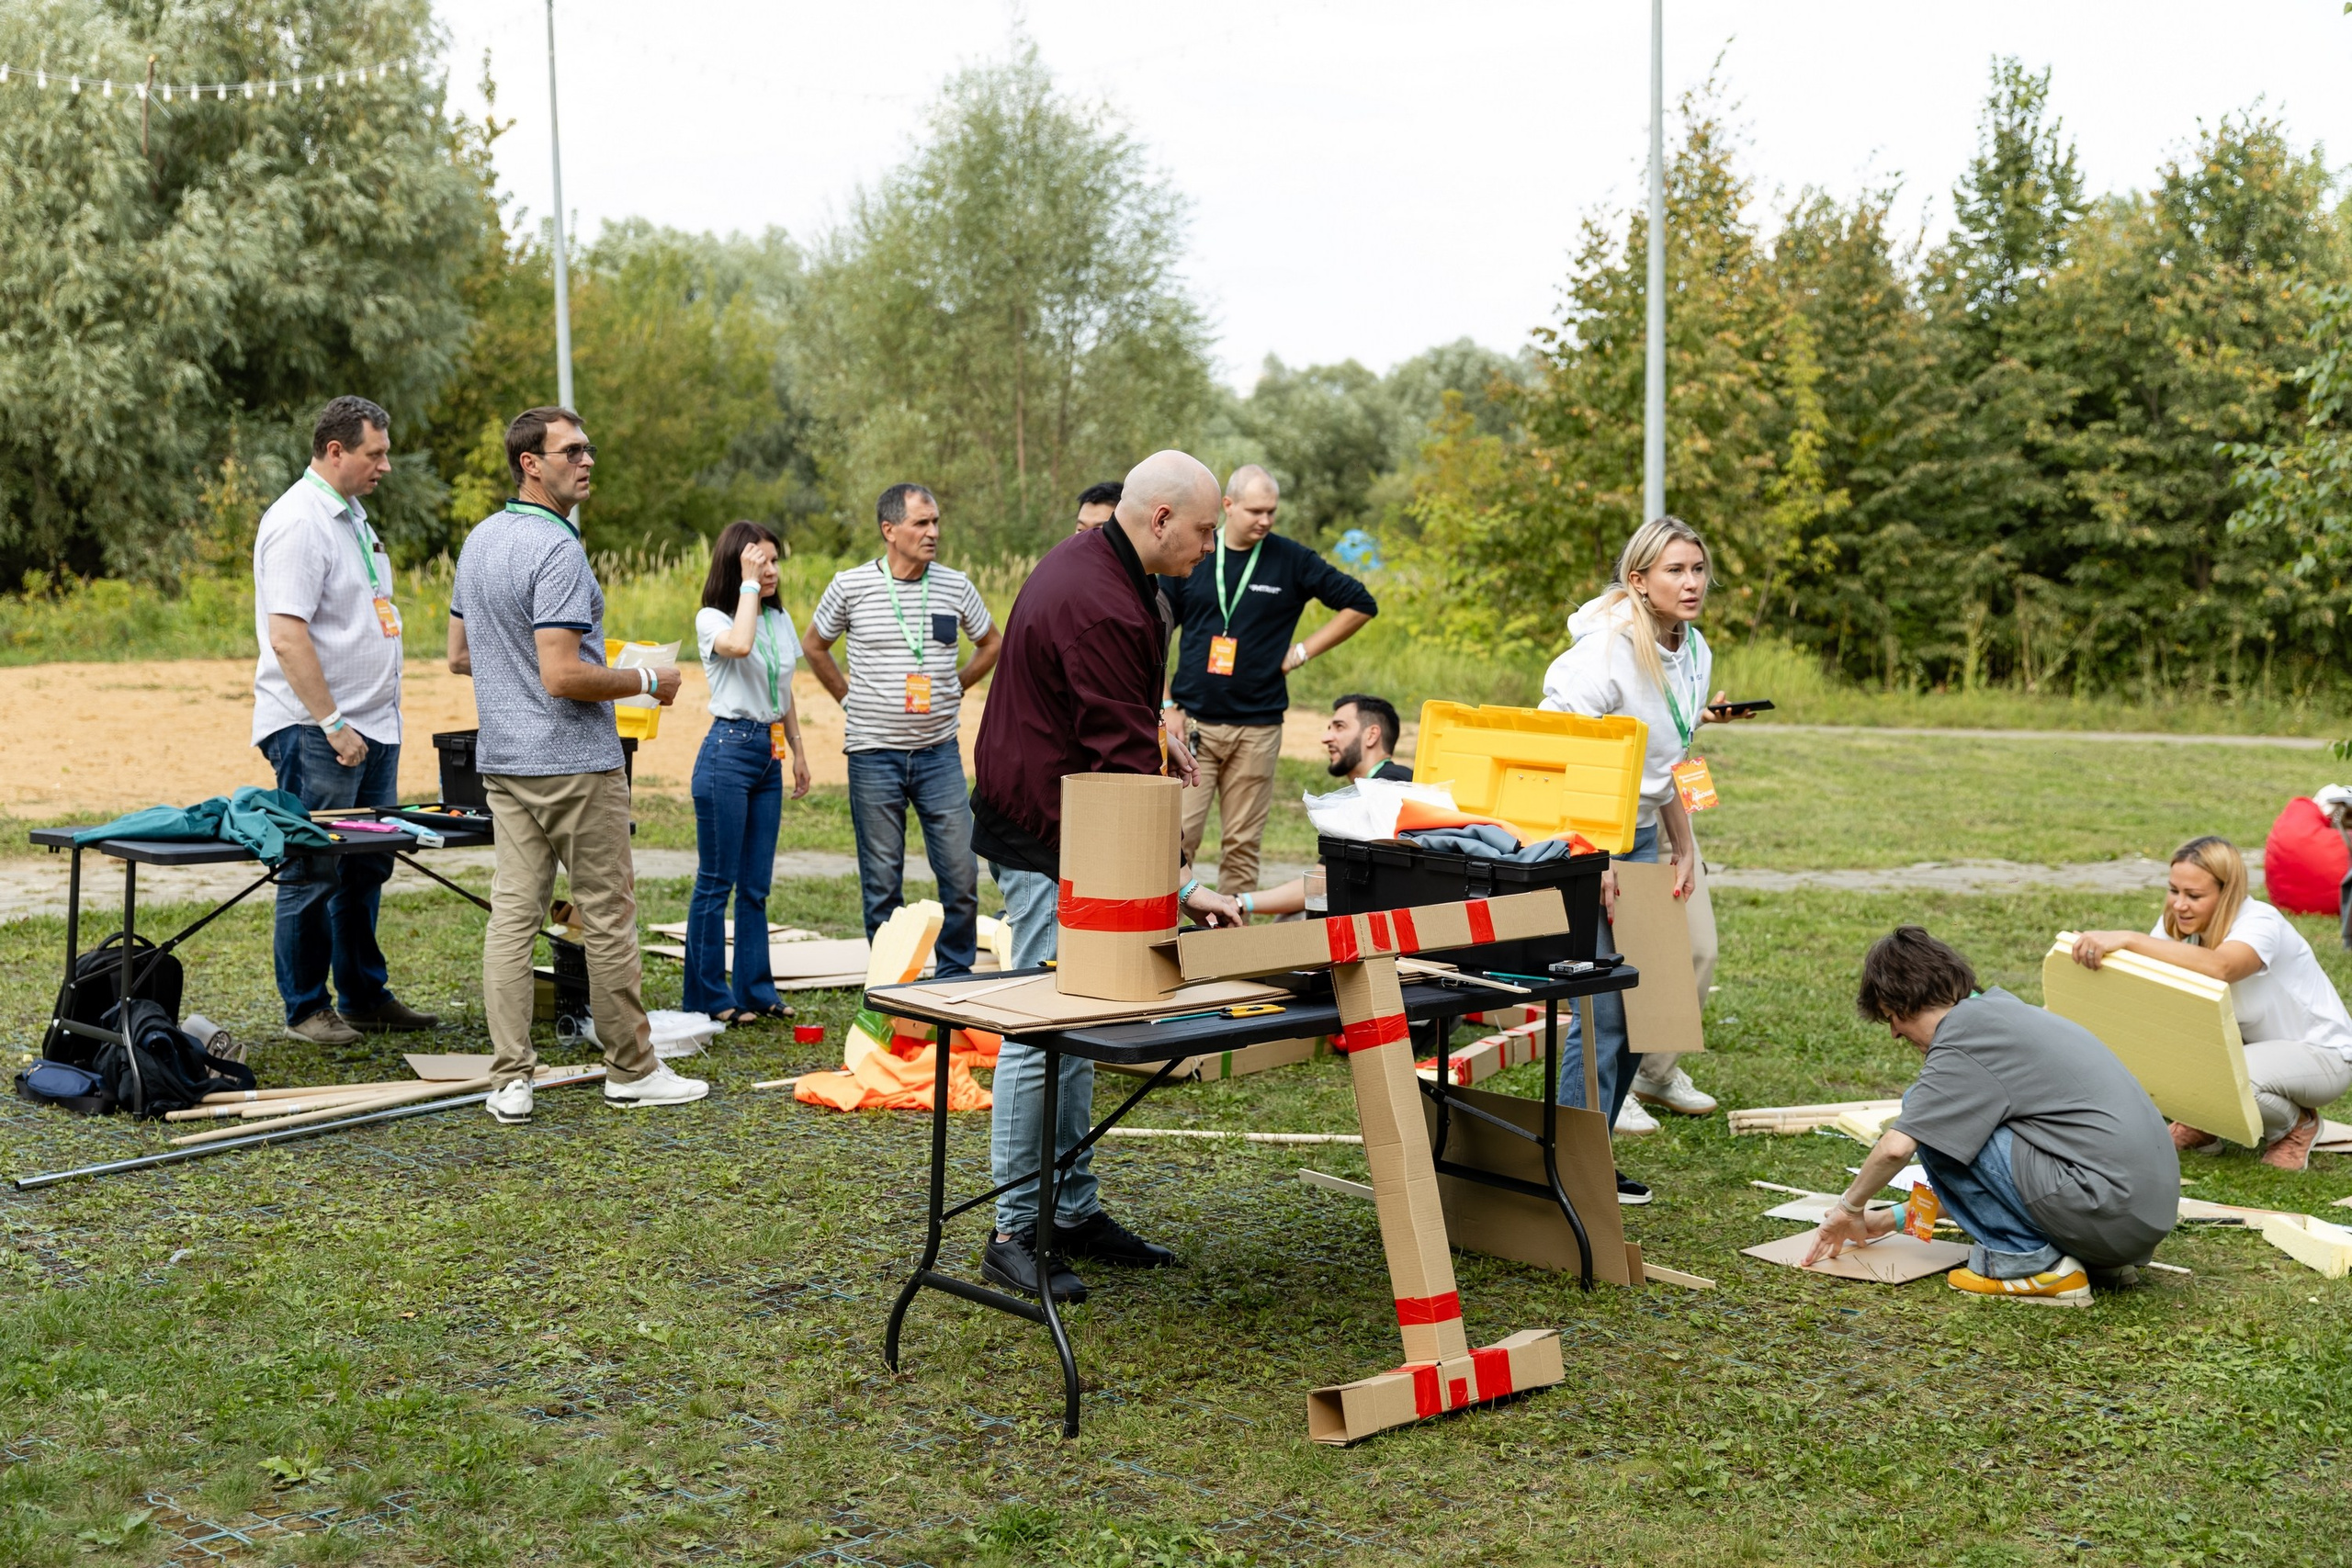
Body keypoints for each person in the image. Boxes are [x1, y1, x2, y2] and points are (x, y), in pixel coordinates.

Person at [969, 450, 1244, 1303]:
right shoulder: (1099, 599)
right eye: (1205, 531)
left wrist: (1158, 734)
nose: (1211, 548)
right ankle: (1016, 1227)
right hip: (1051, 832)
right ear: (1160, 517)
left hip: (1068, 819)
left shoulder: (1113, 573)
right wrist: (1180, 884)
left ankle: (1074, 1208)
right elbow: (1117, 770)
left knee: (1086, 1014)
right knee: (1044, 1026)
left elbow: (1120, 719)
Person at [448, 406, 710, 1123]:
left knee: (512, 917)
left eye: (590, 447)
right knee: (607, 915)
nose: (587, 459)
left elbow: (460, 654)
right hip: (573, 763)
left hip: (503, 761)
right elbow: (563, 676)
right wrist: (643, 679)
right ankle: (631, 1068)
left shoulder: (479, 541)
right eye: (571, 450)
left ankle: (509, 1080)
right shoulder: (558, 550)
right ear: (530, 463)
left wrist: (525, 672)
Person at [1539, 515, 1750, 1192]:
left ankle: (1587, 1149)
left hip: (1645, 833)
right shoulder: (1602, 654)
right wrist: (1594, 857)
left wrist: (1685, 845)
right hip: (1585, 836)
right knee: (1603, 1006)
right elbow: (1560, 760)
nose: (1692, 583)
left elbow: (1672, 756)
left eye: (1698, 569)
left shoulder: (1694, 648)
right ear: (1639, 580)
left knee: (1646, 995)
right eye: (1675, 571)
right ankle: (1571, 1165)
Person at [1809, 926, 2178, 1303]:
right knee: (1945, 1121)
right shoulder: (2001, 1014)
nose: (1894, 1033)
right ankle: (2095, 1261)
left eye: (1891, 1017)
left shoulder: (1964, 1039)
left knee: (1924, 1115)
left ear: (1902, 1003)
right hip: (2130, 1224)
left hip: (2102, 1209)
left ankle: (2031, 1265)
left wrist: (1848, 1209)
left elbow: (1895, 1149)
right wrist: (1888, 1221)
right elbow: (1994, 1183)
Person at [250, 395, 437, 1044]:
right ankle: (306, 1007)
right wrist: (330, 721)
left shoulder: (353, 517)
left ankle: (362, 993)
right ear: (335, 451)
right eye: (374, 453)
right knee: (313, 866)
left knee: (368, 864)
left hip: (373, 726)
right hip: (318, 730)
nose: (385, 465)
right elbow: (288, 636)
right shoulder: (300, 521)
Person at [803, 486, 1001, 977]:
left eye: (935, 522)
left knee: (960, 872)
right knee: (881, 880)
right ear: (890, 530)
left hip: (939, 754)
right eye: (921, 524)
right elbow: (814, 645)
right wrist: (847, 699)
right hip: (873, 755)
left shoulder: (955, 586)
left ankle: (953, 980)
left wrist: (956, 685)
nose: (933, 533)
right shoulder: (850, 586)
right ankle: (891, 986)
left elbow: (992, 642)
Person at [2068, 836, 2352, 1171]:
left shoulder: (2261, 923)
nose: (2179, 905)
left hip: (2323, 1054)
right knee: (2160, 1051)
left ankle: (2296, 1125)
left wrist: (2129, 939)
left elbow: (2222, 967)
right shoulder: (2178, 924)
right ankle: (2203, 1122)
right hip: (2248, 1045)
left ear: (2227, 894)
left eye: (2195, 896)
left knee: (2224, 1077)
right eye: (2174, 891)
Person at [1167, 466, 1378, 898]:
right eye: (1255, 511)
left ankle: (1232, 946)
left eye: (1272, 512)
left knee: (1242, 845)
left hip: (1258, 727)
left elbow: (1360, 603)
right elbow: (1153, 630)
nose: (1265, 520)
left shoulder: (1291, 560)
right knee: (1177, 840)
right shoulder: (1196, 554)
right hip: (1192, 728)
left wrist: (1301, 653)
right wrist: (1166, 705)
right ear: (1228, 506)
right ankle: (1163, 935)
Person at [685, 521, 812, 1025]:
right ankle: (709, 997)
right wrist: (749, 586)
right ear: (739, 566)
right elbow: (738, 646)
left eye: (776, 562)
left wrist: (799, 752)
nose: (773, 571)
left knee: (756, 885)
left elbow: (785, 691)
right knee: (717, 881)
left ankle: (757, 990)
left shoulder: (779, 621)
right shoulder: (712, 618)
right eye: (762, 563)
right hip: (727, 752)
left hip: (769, 753)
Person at [1233, 694, 1413, 920]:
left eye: (1339, 727)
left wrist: (1239, 902)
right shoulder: (1400, 779)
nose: (1326, 738)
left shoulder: (1382, 787)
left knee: (1292, 919)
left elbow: (1320, 884)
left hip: (1387, 918)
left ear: (1371, 735)